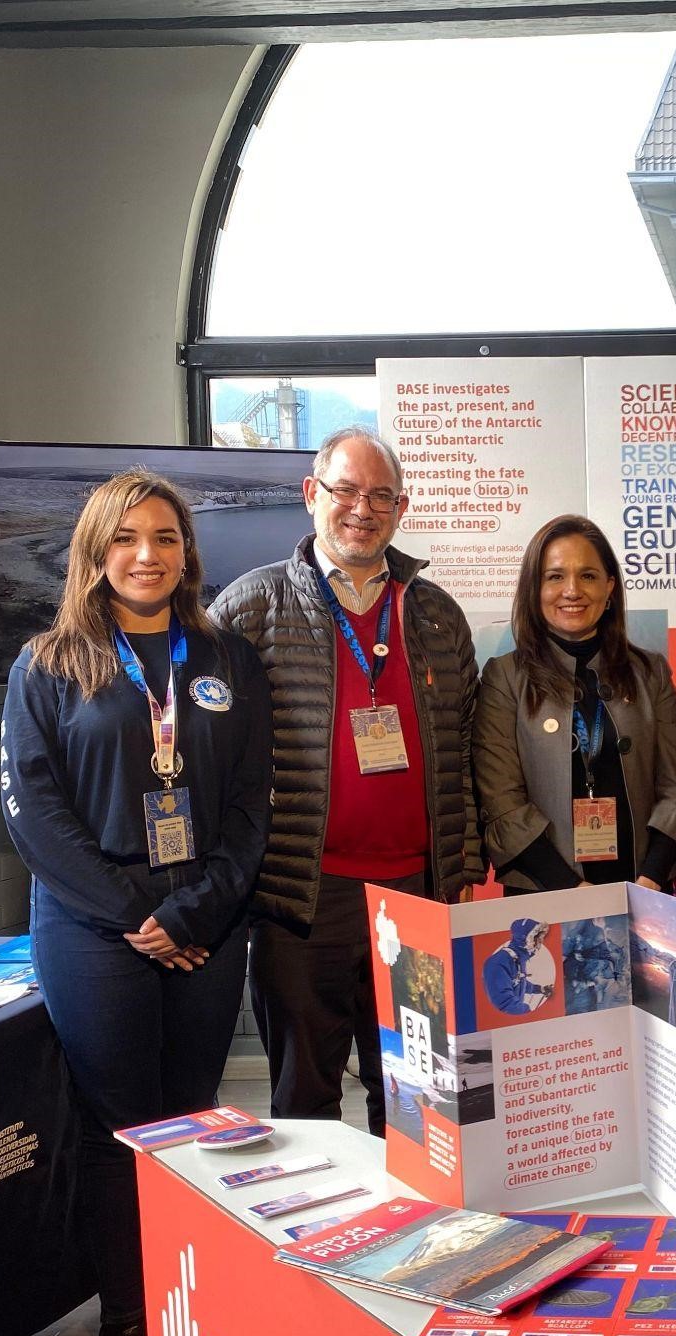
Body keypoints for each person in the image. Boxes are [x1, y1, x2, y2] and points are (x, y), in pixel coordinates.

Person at [1, 470, 272, 1336]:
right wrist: (136, 916)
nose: (147, 555)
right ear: (96, 551)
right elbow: (35, 816)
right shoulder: (47, 665)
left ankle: (192, 1299)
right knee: (121, 1133)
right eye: (127, 539)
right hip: (93, 930)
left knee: (191, 1124)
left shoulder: (228, 660)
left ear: (188, 552)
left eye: (165, 536)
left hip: (204, 922)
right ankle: (123, 1327)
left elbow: (250, 808)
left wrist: (194, 914)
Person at [211, 426, 480, 1139]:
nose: (363, 508)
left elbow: (465, 750)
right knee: (307, 1104)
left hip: (419, 891)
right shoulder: (248, 610)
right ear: (311, 495)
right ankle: (325, 1241)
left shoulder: (436, 615)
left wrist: (464, 869)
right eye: (347, 491)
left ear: (401, 508)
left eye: (382, 495)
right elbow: (210, 760)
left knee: (419, 1104)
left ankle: (420, 1239)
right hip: (304, 898)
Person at [473, 516, 676, 892]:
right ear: (534, 588)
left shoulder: (651, 672)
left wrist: (651, 881)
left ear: (609, 587)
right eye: (555, 576)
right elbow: (502, 803)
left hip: (643, 889)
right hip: (544, 893)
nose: (572, 590)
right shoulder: (504, 677)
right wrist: (573, 893)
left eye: (588, 576)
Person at [483, 917, 555, 1015]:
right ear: (525, 938)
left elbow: (517, 983)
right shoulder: (498, 963)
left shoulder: (517, 957)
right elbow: (504, 1002)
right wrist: (528, 1013)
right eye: (537, 936)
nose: (541, 941)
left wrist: (539, 989)